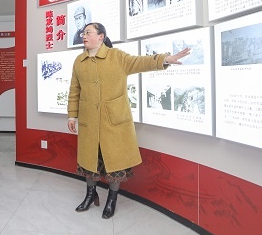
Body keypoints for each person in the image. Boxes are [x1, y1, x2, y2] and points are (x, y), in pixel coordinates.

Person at [67, 22, 190, 219]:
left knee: (114, 164)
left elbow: (141, 62)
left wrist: (165, 59)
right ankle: (90, 195)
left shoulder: (116, 57)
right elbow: (74, 90)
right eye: (83, 33)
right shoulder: (79, 61)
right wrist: (72, 115)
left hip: (113, 122)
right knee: (90, 162)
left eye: (88, 32)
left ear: (101, 36)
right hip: (89, 121)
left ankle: (112, 199)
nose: (84, 35)